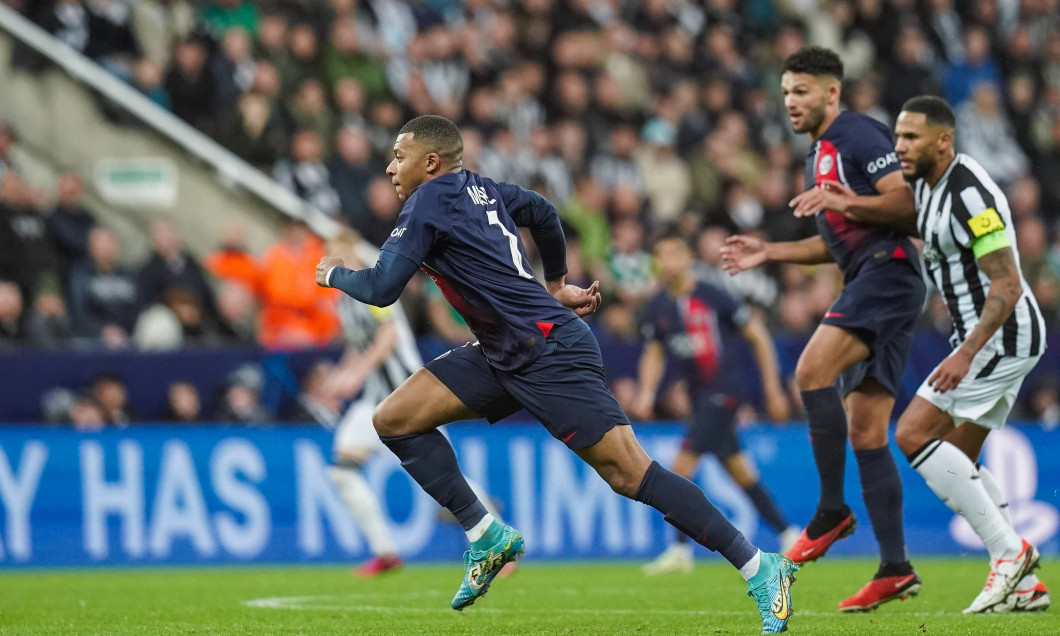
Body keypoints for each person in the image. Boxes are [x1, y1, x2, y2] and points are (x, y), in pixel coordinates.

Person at [316, 115, 797, 632]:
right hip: (504, 349)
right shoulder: (483, 188)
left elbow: (382, 288)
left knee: (631, 474)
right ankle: (486, 534)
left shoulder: (427, 201)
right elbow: (544, 212)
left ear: (430, 162)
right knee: (395, 418)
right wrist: (557, 283)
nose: (389, 167)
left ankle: (760, 565)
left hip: (548, 351)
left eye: (398, 156)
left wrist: (334, 274)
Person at [721, 47, 925, 611]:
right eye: (786, 92)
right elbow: (836, 241)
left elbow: (908, 207)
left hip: (889, 273)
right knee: (866, 430)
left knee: (811, 370)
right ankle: (895, 567)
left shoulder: (857, 134)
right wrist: (771, 250)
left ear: (832, 92)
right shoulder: (819, 155)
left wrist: (847, 199)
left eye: (802, 91)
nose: (791, 101)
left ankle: (832, 510)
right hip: (876, 276)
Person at [891, 96, 1048, 613]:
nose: (900, 146)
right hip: (989, 336)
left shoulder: (970, 194)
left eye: (911, 138)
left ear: (944, 140)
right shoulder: (927, 188)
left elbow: (1006, 283)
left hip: (999, 334)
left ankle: (1009, 553)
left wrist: (965, 353)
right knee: (959, 454)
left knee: (913, 433)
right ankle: (1024, 588)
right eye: (897, 137)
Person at [636, 232, 799, 575]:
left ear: (685, 258)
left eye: (671, 254)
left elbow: (759, 337)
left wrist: (772, 388)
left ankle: (680, 551)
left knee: (681, 467)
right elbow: (654, 352)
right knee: (741, 473)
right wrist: (646, 392)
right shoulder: (659, 307)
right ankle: (789, 533)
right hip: (700, 399)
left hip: (725, 391)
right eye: (659, 256)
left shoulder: (714, 296)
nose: (665, 263)